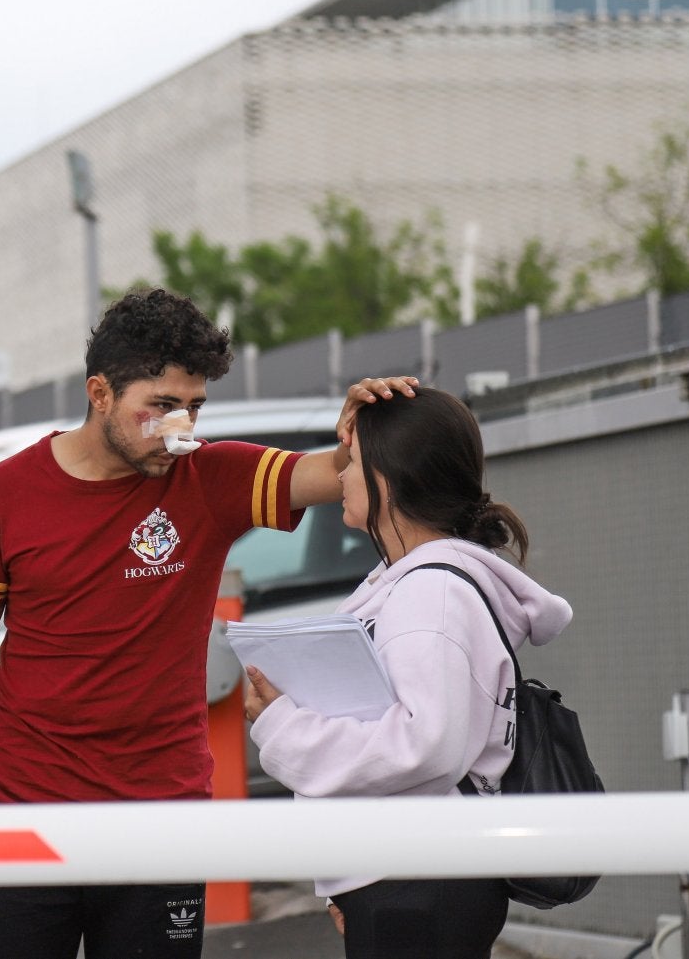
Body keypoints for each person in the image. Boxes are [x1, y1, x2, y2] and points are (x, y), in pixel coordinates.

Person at [0, 286, 418, 959]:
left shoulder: (209, 477)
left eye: (195, 406)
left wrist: (365, 422)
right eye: (161, 406)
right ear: (99, 393)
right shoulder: (2, 492)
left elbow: (342, 471)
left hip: (162, 816)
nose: (181, 427)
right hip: (19, 812)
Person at [243, 386, 574, 959]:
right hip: (413, 873)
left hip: (418, 876)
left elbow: (426, 746)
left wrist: (280, 727)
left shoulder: (430, 594)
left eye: (352, 463)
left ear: (387, 483)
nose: (339, 476)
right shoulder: (419, 582)